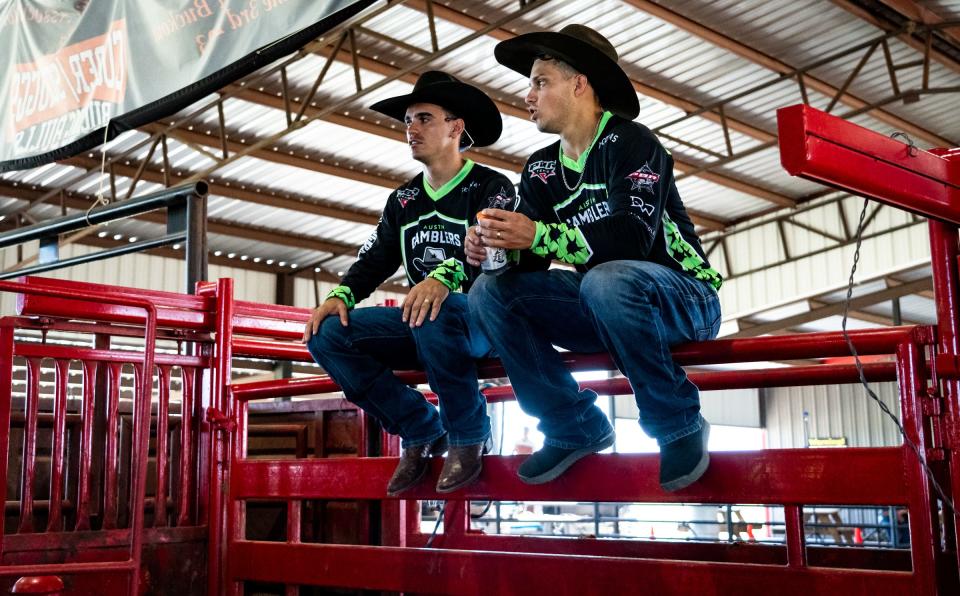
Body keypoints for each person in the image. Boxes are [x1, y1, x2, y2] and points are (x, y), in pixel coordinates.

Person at [465, 25, 723, 492]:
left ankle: (678, 424)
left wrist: (539, 234)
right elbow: (532, 260)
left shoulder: (633, 142)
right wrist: (494, 249)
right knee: (490, 292)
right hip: (604, 300)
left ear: (579, 83)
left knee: (607, 279)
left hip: (684, 297)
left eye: (540, 82)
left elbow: (633, 238)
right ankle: (572, 425)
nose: (528, 95)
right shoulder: (541, 167)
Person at [303, 71, 514, 495]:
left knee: (435, 312)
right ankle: (419, 427)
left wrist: (443, 277)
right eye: (407, 122)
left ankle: (468, 435)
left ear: (456, 127)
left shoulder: (492, 187)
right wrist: (339, 295)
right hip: (425, 322)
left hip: (480, 320)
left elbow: (493, 253)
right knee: (325, 335)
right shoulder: (403, 200)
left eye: (423, 118)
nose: (411, 130)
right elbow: (374, 258)